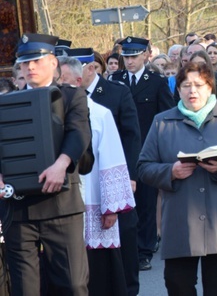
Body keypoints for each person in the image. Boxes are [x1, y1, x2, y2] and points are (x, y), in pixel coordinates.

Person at [138, 62, 217, 295]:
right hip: (180, 219)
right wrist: (170, 171)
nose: (192, 91)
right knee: (177, 284)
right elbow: (144, 167)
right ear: (178, 89)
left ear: (210, 87)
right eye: (185, 85)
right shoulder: (162, 122)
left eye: (198, 85)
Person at [1, 34, 92, 295]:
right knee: (25, 289)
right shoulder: (6, 101)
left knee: (73, 285)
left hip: (61, 206)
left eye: (36, 61)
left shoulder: (71, 96)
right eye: (24, 62)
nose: (29, 68)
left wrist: (61, 164)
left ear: (53, 63)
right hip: (19, 209)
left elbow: (79, 134)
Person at [59, 57, 136, 296]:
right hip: (59, 205)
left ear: (78, 81)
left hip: (93, 201)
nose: (58, 86)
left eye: (63, 80)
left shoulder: (100, 114)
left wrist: (111, 207)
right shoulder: (48, 111)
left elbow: (112, 157)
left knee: (99, 273)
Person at [110, 36, 176, 272]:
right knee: (123, 202)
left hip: (147, 151)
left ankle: (144, 250)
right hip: (120, 150)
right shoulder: (115, 81)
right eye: (126, 57)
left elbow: (167, 117)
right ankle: (127, 248)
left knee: (146, 202)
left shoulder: (156, 82)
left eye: (134, 56)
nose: (129, 61)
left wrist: (163, 149)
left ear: (146, 56)